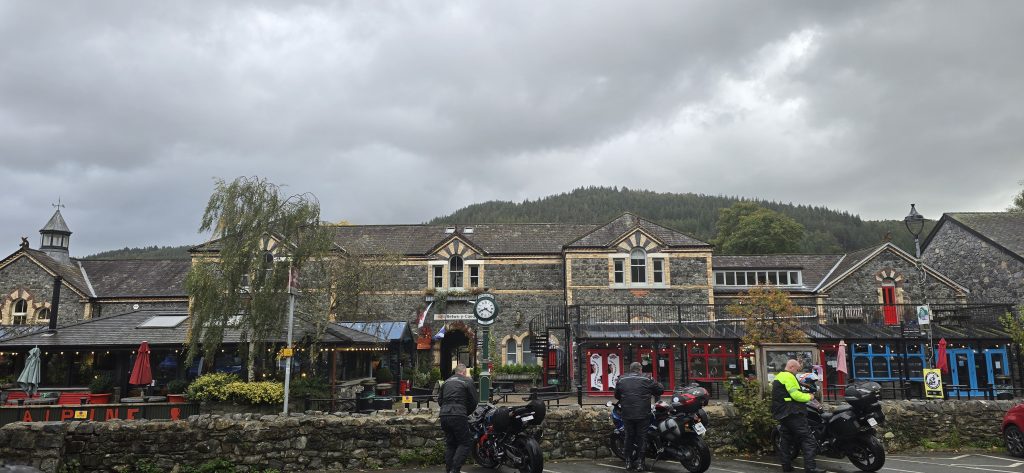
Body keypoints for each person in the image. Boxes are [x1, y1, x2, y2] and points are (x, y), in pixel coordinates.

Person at [772, 359, 824, 473]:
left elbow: (785, 394)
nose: (796, 372)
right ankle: (811, 468)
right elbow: (795, 395)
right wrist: (809, 397)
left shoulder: (779, 377)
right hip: (793, 413)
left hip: (782, 414)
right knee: (808, 439)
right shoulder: (789, 377)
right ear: (791, 367)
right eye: (796, 369)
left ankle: (787, 467)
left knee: (785, 440)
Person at [614, 361, 664, 471]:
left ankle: (628, 462)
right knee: (642, 438)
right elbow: (660, 390)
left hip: (627, 414)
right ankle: (640, 463)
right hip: (643, 414)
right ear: (640, 369)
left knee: (629, 437)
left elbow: (617, 395)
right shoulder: (647, 379)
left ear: (630, 369)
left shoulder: (621, 379)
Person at [439, 363, 478, 473]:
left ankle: (449, 469)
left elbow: (440, 400)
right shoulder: (467, 381)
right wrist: (465, 412)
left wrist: (446, 409)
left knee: (451, 443)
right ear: (464, 372)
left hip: (444, 415)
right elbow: (474, 401)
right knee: (465, 443)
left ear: (455, 372)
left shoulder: (446, 382)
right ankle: (455, 470)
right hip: (459, 414)